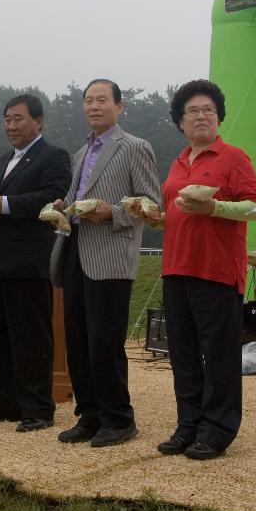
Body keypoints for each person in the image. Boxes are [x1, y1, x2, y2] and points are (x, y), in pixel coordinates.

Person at [137, 80, 256, 460]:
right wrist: (153, 216)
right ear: (180, 121)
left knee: (219, 353)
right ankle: (188, 425)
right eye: (192, 111)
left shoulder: (233, 157)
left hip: (217, 269)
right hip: (177, 267)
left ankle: (218, 430)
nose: (201, 116)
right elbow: (174, 212)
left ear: (218, 116)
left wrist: (216, 208)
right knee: (184, 353)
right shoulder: (177, 162)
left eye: (208, 109)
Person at [49, 79, 161, 448]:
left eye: (102, 100)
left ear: (119, 105)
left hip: (111, 256)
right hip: (75, 249)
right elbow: (71, 199)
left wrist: (108, 211)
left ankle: (119, 417)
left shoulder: (134, 147)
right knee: (77, 341)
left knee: (103, 342)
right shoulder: (82, 153)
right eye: (88, 100)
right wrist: (58, 208)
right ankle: (90, 414)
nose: (94, 106)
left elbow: (149, 204)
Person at [0, 94, 72, 433]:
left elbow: (53, 196)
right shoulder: (0, 162)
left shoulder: (53, 156)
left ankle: (38, 408)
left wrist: (4, 204)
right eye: (7, 119)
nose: (11, 126)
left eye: (18, 119)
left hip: (29, 263)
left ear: (38, 121)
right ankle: (6, 401)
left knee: (31, 337)